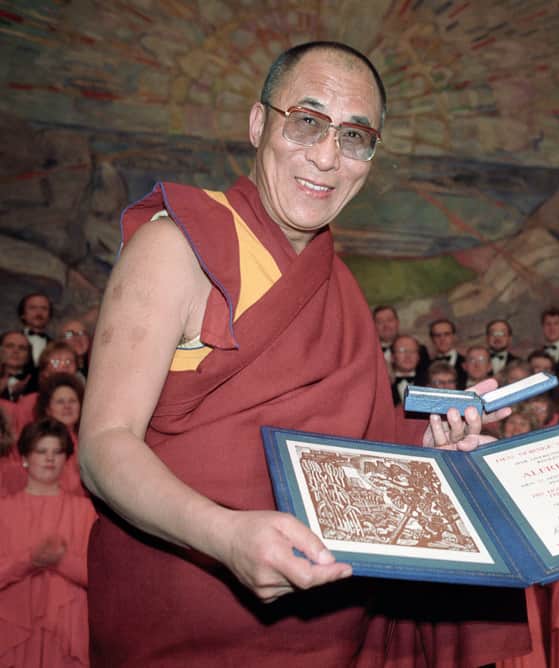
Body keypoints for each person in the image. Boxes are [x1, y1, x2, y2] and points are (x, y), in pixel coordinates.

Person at [78, 41, 528, 666]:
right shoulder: (179, 245)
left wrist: (426, 447)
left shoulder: (337, 281)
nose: (326, 157)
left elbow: (341, 445)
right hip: (186, 617)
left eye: (354, 136)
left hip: (332, 622)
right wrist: (224, 536)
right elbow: (103, 445)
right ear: (260, 123)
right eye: (307, 122)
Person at [0, 418, 97, 666]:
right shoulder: (3, 510)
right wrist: (29, 560)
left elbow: (96, 575)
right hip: (14, 621)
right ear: (24, 458)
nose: (50, 458)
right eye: (41, 451)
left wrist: (61, 561)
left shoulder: (85, 510)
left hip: (67, 624)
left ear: (67, 459)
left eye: (57, 452)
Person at [429, 318, 467, 388]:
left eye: (447, 334)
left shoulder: (466, 364)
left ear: (454, 336)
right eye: (437, 335)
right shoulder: (426, 366)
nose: (442, 339)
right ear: (432, 339)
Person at [0, 330, 36, 403]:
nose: (16, 351)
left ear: (28, 356)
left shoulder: (36, 382)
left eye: (22, 348)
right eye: (10, 346)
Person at [18, 292, 53, 365]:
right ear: (23, 314)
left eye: (44, 308)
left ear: (49, 316)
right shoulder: (10, 342)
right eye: (33, 308)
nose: (39, 312)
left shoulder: (54, 345)